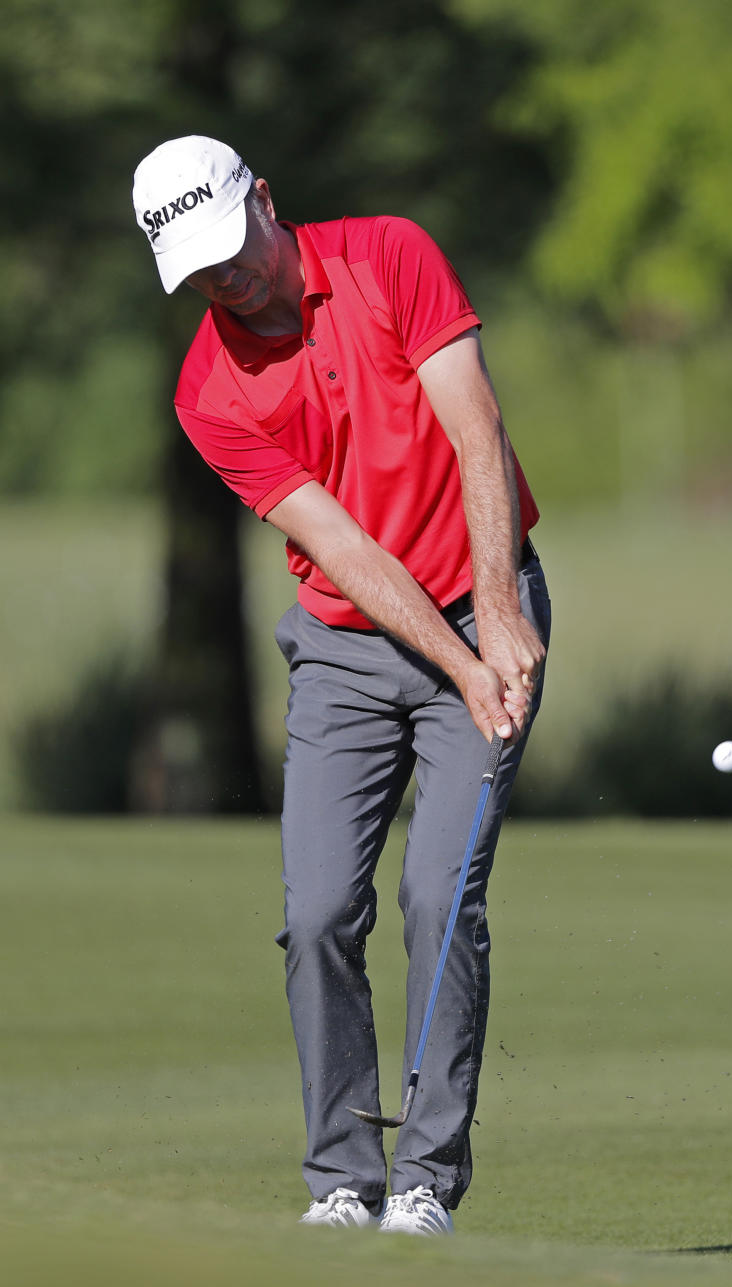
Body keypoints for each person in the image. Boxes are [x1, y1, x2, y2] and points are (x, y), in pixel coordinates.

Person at [132, 136, 550, 1235]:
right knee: (318, 913)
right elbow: (345, 549)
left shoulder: (390, 257)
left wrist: (496, 616)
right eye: (201, 269)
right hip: (346, 648)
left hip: (481, 598)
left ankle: (423, 1181)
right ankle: (341, 1183)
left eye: (234, 248)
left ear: (264, 200)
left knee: (438, 896)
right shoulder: (207, 391)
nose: (229, 280)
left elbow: (477, 432)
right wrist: (456, 668)